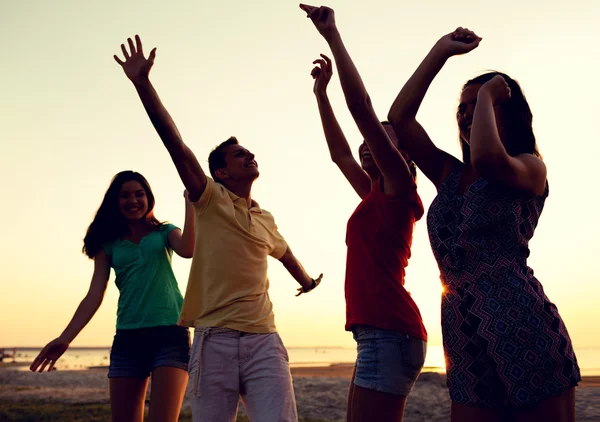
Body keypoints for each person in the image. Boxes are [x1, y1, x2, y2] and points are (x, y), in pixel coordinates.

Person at [114, 35, 322, 422]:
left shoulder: (264, 217)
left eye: (250, 152)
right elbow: (173, 141)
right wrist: (143, 83)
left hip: (265, 339)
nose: (250, 156)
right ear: (221, 172)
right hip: (214, 340)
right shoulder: (208, 199)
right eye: (239, 154)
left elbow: (286, 254)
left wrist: (308, 280)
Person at [387, 27, 580, 421]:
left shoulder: (529, 167)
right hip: (462, 334)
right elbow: (400, 118)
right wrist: (440, 51)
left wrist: (490, 94)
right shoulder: (450, 175)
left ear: (507, 113)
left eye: (479, 105)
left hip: (522, 323)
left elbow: (490, 159)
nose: (467, 113)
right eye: (463, 108)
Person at [301, 5, 427, 421]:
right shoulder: (374, 194)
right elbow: (339, 153)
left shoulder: (399, 188)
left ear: (401, 155)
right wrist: (321, 96)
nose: (367, 143)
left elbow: (362, 109)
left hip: (390, 331)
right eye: (368, 140)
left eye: (382, 139)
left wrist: (333, 36)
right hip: (376, 333)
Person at [30, 171, 194, 422]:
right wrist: (65, 338)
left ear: (149, 198)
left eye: (139, 194)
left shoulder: (165, 232)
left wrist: (190, 203)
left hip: (170, 335)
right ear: (115, 202)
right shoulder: (109, 244)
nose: (133, 200)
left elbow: (188, 249)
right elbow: (94, 294)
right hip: (128, 339)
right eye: (125, 195)